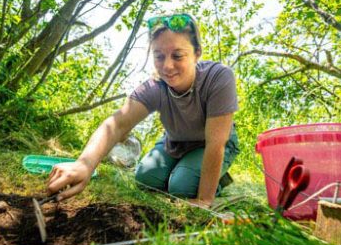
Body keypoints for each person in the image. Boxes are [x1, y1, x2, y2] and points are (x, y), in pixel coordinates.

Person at [47, 13, 240, 207]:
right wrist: (84, 165)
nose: (167, 66)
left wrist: (204, 199)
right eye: (159, 56)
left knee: (181, 188)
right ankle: (183, 171)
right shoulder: (155, 87)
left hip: (210, 143)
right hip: (176, 142)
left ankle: (211, 180)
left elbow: (216, 144)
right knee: (145, 178)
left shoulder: (218, 77)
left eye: (177, 55)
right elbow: (116, 125)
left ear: (197, 53)